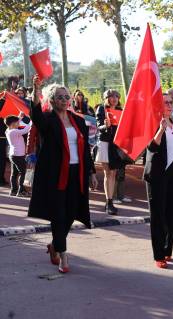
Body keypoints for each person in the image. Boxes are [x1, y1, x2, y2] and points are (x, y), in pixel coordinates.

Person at [28, 75, 97, 273]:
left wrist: (91, 172)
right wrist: (36, 89)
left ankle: (55, 245)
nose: (64, 100)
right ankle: (63, 255)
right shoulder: (48, 120)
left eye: (67, 97)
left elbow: (85, 150)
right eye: (59, 97)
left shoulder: (77, 120)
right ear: (51, 100)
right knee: (59, 214)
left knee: (71, 213)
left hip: (77, 172)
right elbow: (35, 115)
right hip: (56, 174)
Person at [143, 93, 173, 269]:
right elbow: (151, 147)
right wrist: (160, 129)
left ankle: (167, 249)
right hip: (158, 175)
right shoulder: (153, 123)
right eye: (165, 102)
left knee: (172, 215)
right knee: (158, 216)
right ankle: (159, 254)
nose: (169, 105)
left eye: (171, 102)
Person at [95, 89, 124, 214]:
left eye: (116, 96)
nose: (114, 99)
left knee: (114, 173)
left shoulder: (121, 111)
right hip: (106, 143)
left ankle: (110, 201)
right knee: (108, 173)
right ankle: (109, 202)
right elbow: (98, 126)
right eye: (111, 96)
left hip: (116, 144)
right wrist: (105, 126)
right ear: (106, 98)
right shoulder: (101, 109)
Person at [4, 113, 31, 196]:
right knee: (23, 172)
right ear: (13, 124)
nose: (19, 124)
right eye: (17, 122)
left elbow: (15, 123)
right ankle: (21, 191)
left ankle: (13, 190)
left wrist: (20, 117)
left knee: (14, 173)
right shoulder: (14, 131)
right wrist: (32, 120)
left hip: (13, 155)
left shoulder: (8, 130)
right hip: (18, 155)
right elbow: (26, 129)